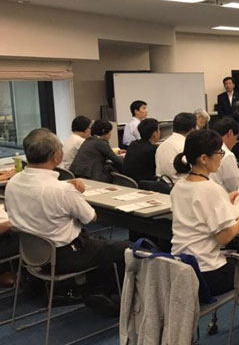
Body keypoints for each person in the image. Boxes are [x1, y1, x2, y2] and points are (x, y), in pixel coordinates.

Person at [169, 129, 239, 342]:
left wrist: (226, 204)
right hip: (207, 272)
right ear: (204, 159)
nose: (222, 158)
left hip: (182, 267)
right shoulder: (209, 189)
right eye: (219, 153)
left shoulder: (180, 186)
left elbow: (200, 217)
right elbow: (223, 238)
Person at [5, 128, 130, 315]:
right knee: (127, 249)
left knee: (102, 244)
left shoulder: (13, 183)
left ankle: (88, 288)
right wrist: (72, 192)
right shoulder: (62, 191)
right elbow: (91, 217)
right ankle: (99, 292)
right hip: (66, 256)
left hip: (33, 257)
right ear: (56, 156)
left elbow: (38, 191)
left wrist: (67, 186)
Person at [155, 112, 196, 182]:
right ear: (192, 130)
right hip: (181, 187)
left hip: (162, 186)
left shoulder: (161, 145)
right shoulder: (185, 146)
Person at [122, 118, 160, 184]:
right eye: (159, 130)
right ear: (154, 134)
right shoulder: (151, 150)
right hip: (144, 184)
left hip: (129, 183)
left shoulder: (133, 144)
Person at [210, 117, 239, 192]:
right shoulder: (227, 155)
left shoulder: (207, 147)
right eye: (236, 138)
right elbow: (235, 187)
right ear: (230, 133)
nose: (235, 143)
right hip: (224, 198)